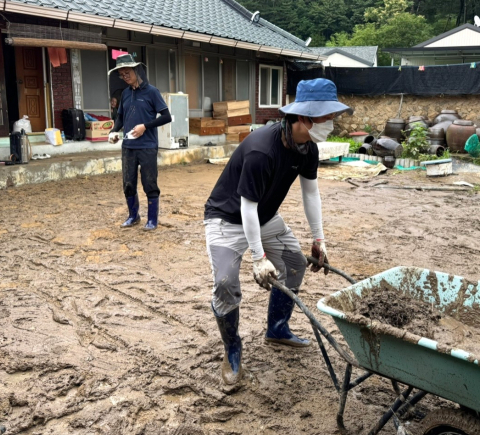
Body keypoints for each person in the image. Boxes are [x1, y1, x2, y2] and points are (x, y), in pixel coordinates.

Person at [203, 78, 353, 385]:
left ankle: (277, 328)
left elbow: (310, 194)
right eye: (328, 117)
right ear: (304, 117)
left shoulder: (307, 147)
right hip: (227, 219)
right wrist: (258, 258)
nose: (332, 124)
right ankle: (232, 349)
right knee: (225, 283)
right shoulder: (262, 150)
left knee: (296, 264)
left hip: (265, 217)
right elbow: (246, 208)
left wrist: (319, 239)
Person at [108, 54, 172, 230]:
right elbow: (120, 117)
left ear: (137, 70)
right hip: (128, 146)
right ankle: (133, 216)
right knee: (128, 183)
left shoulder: (152, 92)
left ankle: (152, 220)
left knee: (149, 183)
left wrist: (145, 126)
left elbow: (166, 117)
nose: (124, 76)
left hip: (147, 146)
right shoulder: (126, 94)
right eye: (121, 74)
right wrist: (114, 131)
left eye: (127, 72)